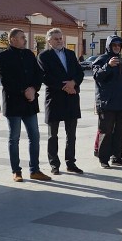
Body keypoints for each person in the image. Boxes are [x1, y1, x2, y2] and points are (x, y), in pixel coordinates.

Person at [0, 28, 51, 182]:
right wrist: (23, 91)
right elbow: (5, 80)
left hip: (30, 103)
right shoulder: (3, 56)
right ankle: (16, 171)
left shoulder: (29, 54)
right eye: (22, 37)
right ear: (12, 39)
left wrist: (33, 89)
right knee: (14, 138)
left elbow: (38, 74)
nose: (25, 40)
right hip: (14, 102)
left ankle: (35, 170)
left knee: (35, 136)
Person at [38, 28, 84, 175]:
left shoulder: (70, 54)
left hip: (71, 98)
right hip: (55, 98)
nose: (59, 41)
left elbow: (80, 72)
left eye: (60, 38)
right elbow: (45, 77)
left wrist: (74, 83)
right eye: (56, 39)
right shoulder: (44, 56)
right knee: (53, 135)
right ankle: (54, 164)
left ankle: (71, 163)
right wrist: (65, 87)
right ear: (49, 41)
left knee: (71, 134)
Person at [93, 34, 122, 168]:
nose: (117, 47)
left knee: (120, 132)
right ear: (109, 46)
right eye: (114, 45)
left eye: (119, 45)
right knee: (106, 132)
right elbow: (97, 76)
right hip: (107, 103)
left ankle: (117, 157)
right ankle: (103, 159)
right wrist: (108, 66)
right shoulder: (102, 59)